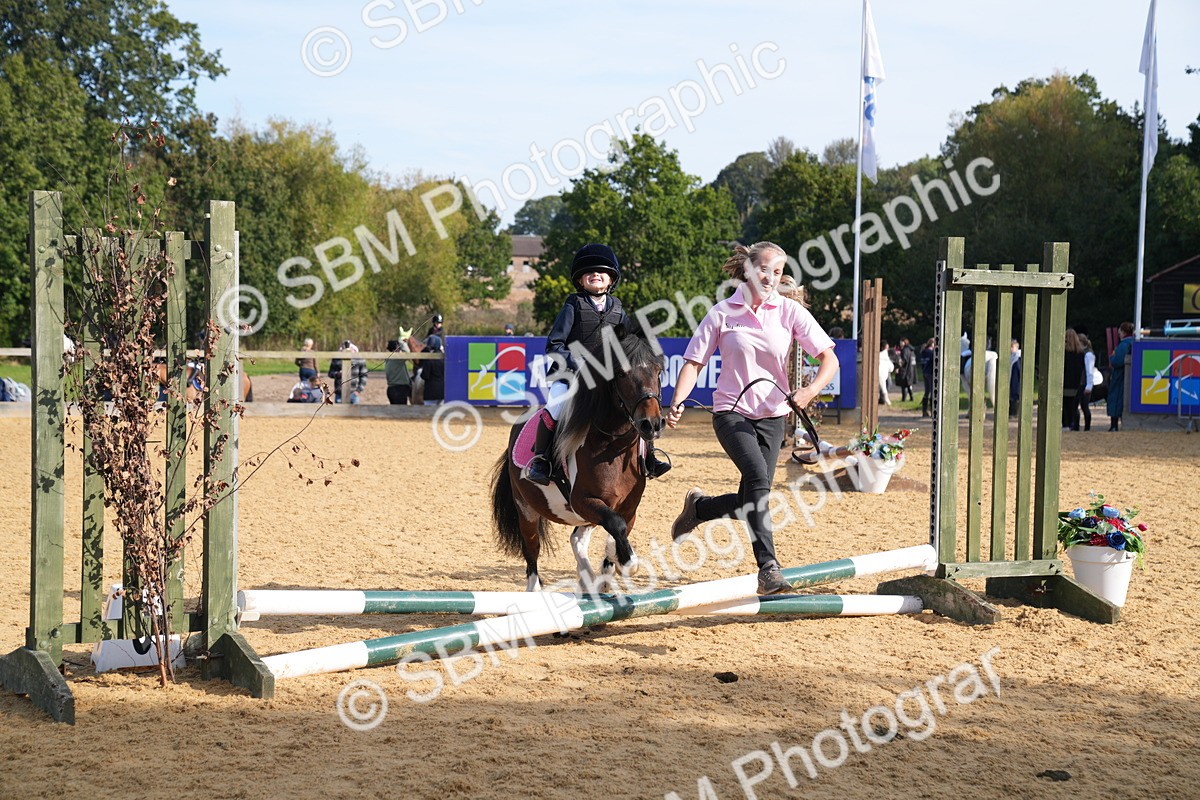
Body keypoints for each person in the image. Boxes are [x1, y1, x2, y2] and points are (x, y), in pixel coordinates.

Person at [666, 241, 837, 596]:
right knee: (759, 479)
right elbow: (694, 363)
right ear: (747, 269)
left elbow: (829, 359)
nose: (770, 277)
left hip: (774, 415)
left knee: (752, 496)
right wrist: (678, 401)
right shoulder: (722, 313)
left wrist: (808, 391)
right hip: (731, 411)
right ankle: (769, 569)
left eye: (777, 272)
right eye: (763, 269)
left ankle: (700, 508)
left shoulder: (788, 312)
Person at [525, 243, 671, 485]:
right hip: (571, 377)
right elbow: (554, 344)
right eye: (589, 272)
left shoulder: (618, 308)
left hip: (606, 379)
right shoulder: (573, 305)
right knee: (555, 407)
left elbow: (632, 340)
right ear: (580, 280)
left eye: (602, 271)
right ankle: (541, 460)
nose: (596, 274)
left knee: (638, 403)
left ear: (611, 279)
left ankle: (650, 456)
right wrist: (577, 363)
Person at [1107, 321, 1134, 431]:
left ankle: (1114, 425)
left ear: (1123, 332)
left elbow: (1117, 361)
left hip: (1120, 375)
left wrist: (1112, 357)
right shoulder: (1134, 342)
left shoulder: (1123, 345)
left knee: (1116, 397)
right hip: (1129, 375)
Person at [1062, 328, 1086, 431]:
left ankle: (1066, 424)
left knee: (1065, 405)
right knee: (1073, 405)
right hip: (1076, 383)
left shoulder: (1064, 352)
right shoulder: (1081, 353)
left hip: (1065, 382)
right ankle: (1073, 423)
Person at [417, 334, 445, 405]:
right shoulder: (445, 359)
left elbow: (424, 376)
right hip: (443, 392)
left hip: (430, 393)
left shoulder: (429, 360)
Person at [385, 339, 412, 405]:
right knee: (401, 411)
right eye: (399, 348)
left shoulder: (388, 358)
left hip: (391, 388)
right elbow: (407, 352)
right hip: (399, 389)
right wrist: (401, 341)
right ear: (396, 348)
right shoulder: (397, 358)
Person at [1079, 333, 1096, 431]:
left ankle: (1087, 427)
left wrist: (1089, 386)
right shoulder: (1086, 353)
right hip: (1083, 382)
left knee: (1085, 406)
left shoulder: (1088, 354)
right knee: (1083, 406)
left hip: (1085, 383)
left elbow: (1089, 371)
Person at [919, 338, 935, 417]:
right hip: (931, 373)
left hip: (925, 372)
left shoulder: (923, 352)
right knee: (933, 391)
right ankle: (933, 411)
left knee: (926, 391)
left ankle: (924, 411)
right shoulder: (932, 353)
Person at [897, 337, 917, 402]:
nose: (900, 343)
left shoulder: (904, 350)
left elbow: (904, 360)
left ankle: (904, 399)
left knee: (904, 385)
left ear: (904, 342)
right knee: (908, 384)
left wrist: (899, 365)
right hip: (911, 369)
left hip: (905, 370)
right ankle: (911, 397)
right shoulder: (911, 350)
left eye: (901, 342)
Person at [1008, 339, 1022, 417]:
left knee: (1014, 394)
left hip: (1015, 379)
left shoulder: (1017, 358)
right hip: (1013, 378)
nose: (1010, 349)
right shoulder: (1013, 357)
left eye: (1012, 347)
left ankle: (1013, 412)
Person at [878, 340, 894, 405]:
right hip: (883, 373)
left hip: (882, 373)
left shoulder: (881, 355)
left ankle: (883, 399)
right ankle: (884, 399)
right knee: (884, 386)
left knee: (884, 386)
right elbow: (891, 368)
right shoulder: (885, 356)